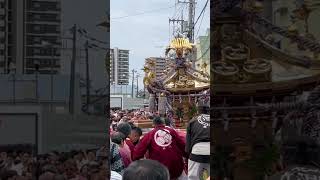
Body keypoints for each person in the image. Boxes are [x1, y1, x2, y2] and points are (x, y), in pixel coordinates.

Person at [185, 98, 210, 180]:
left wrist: (188, 155)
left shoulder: (192, 121)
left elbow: (188, 145)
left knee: (193, 178)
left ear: (198, 111)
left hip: (197, 151)